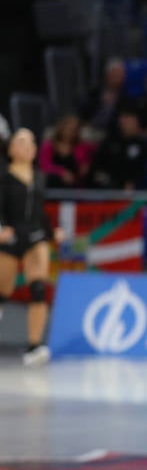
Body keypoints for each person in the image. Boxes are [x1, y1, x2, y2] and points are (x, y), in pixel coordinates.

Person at [0, 129, 63, 365]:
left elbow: (40, 210)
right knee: (3, 292)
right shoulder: (4, 177)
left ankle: (34, 346)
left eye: (31, 142)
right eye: (21, 142)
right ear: (11, 149)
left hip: (34, 236)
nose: (27, 146)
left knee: (38, 287)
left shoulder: (39, 177)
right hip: (10, 236)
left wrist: (51, 233)